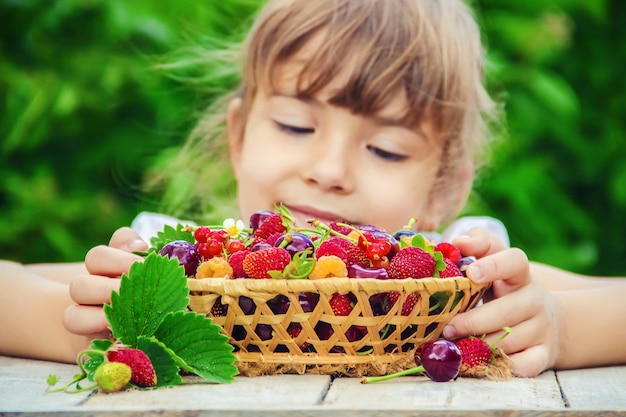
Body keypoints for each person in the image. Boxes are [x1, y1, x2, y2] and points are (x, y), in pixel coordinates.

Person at [1, 0, 625, 377]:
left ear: (443, 187)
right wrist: (72, 328)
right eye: (297, 125)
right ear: (240, 136)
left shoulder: (458, 280)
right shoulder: (177, 263)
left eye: (386, 148)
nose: (329, 169)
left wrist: (562, 327)